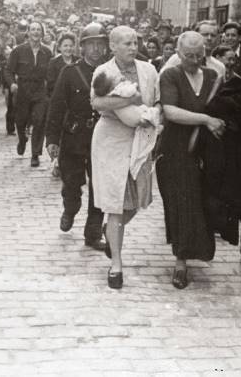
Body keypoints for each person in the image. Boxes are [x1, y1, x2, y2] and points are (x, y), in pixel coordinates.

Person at [91, 26, 159, 289]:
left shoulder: (149, 70)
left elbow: (157, 101)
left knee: (136, 201)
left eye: (135, 42)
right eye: (127, 43)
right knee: (116, 202)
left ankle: (111, 231)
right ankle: (116, 264)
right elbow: (97, 103)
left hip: (140, 141)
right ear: (113, 47)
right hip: (112, 141)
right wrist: (132, 99)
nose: (133, 47)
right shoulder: (104, 72)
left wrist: (153, 115)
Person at [157, 31, 225, 288]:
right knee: (182, 205)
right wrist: (206, 120)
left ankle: (196, 251)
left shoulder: (213, 76)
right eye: (188, 56)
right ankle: (180, 261)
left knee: (203, 203)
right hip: (176, 151)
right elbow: (171, 111)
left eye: (199, 55)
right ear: (178, 52)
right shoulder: (170, 75)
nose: (194, 61)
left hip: (205, 151)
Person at [45, 23, 107, 250]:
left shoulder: (110, 73)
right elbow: (57, 107)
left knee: (99, 187)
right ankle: (70, 209)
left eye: (100, 44)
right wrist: (52, 139)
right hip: (74, 137)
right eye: (91, 44)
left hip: (102, 138)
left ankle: (93, 234)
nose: (96, 50)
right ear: (82, 47)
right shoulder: (69, 73)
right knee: (72, 183)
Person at [5, 21, 53, 167]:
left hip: (39, 89)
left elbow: (50, 74)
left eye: (39, 30)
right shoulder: (18, 51)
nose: (36, 32)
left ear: (42, 33)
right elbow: (8, 70)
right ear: (28, 32)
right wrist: (12, 83)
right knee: (20, 120)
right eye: (33, 29)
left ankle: (35, 154)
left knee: (39, 121)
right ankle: (22, 139)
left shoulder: (47, 52)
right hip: (22, 89)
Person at [162, 20, 226, 77]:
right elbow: (161, 80)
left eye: (213, 35)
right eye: (205, 35)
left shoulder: (219, 67)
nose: (209, 38)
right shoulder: (179, 58)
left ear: (218, 38)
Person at [46, 32, 77, 99]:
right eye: (65, 46)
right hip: (59, 98)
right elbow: (51, 85)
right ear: (60, 47)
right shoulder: (53, 63)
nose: (68, 48)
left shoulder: (78, 61)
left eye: (71, 46)